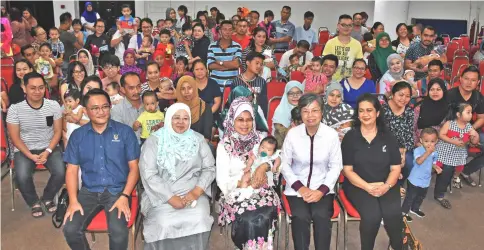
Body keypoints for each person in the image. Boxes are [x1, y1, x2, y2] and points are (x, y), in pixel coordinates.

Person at [63, 88, 140, 250]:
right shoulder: (78, 136)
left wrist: (125, 195)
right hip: (88, 191)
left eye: (105, 107)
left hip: (117, 191)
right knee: (70, 229)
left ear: (110, 107)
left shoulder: (125, 132)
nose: (101, 112)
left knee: (118, 231)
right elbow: (71, 170)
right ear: (85, 110)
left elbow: (135, 168)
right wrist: (73, 200)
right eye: (95, 108)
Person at [139, 102, 214, 249]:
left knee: (199, 217)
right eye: (176, 118)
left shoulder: (198, 140)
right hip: (161, 195)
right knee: (164, 221)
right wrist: (170, 198)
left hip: (193, 193)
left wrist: (196, 191)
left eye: (185, 118)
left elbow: (209, 168)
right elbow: (149, 173)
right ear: (168, 119)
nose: (181, 122)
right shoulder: (154, 141)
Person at [341, 93, 403, 250]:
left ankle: (399, 247)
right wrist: (368, 187)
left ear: (377, 113)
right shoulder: (350, 137)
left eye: (369, 110)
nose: (365, 114)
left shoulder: (388, 137)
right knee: (372, 216)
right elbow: (347, 170)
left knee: (393, 215)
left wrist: (386, 186)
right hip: (357, 185)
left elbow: (396, 168)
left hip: (386, 183)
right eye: (361, 111)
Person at [281, 93, 342, 250]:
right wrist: (300, 188)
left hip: (322, 188)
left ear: (322, 112)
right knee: (300, 217)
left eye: (314, 110)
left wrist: (321, 191)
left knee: (321, 217)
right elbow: (285, 164)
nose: (310, 115)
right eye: (305, 111)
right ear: (300, 113)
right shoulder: (293, 135)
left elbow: (336, 166)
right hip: (296, 189)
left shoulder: (331, 135)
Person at [217, 97, 280, 249]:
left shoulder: (261, 139)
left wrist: (263, 166)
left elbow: (278, 161)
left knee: (263, 216)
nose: (245, 124)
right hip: (236, 191)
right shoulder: (224, 145)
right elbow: (222, 180)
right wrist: (243, 182)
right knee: (249, 219)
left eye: (249, 119)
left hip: (263, 191)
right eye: (240, 119)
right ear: (232, 119)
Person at [6, 72, 64, 218]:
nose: (37, 92)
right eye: (32, 88)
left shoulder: (53, 106)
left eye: (40, 88)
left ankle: (47, 197)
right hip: (24, 149)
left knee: (61, 171)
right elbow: (15, 138)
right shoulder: (15, 109)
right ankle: (33, 202)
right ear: (24, 88)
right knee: (22, 175)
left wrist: (48, 151)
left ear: (45, 88)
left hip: (49, 146)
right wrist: (30, 155)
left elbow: (57, 132)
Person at [435, 103, 479, 209]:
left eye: (471, 112)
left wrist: (475, 137)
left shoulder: (468, 126)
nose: (471, 115)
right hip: (446, 152)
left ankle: (455, 178)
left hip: (458, 153)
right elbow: (441, 135)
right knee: (445, 174)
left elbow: (474, 140)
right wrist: (452, 141)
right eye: (468, 112)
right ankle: (439, 195)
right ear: (459, 115)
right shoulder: (450, 123)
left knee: (456, 169)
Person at [446, 67, 484, 187]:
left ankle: (466, 171)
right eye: (466, 79)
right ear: (460, 79)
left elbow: (481, 117)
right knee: (462, 150)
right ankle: (451, 175)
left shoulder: (478, 97)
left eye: (473, 80)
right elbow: (443, 121)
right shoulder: (450, 95)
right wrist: (465, 133)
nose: (469, 82)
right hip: (451, 132)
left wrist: (471, 130)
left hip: (471, 130)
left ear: (478, 82)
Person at [402, 128, 440, 222]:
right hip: (414, 180)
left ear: (436, 141)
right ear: (421, 140)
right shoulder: (418, 150)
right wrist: (427, 152)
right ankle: (403, 213)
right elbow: (419, 161)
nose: (429, 144)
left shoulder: (434, 152)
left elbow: (433, 161)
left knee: (421, 196)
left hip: (426, 180)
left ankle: (414, 209)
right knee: (410, 197)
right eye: (426, 141)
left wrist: (436, 167)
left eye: (432, 141)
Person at [323, 14, 363, 81]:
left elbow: (359, 65)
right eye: (343, 25)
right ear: (338, 26)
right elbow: (324, 65)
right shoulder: (330, 43)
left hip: (350, 82)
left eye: (349, 25)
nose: (346, 28)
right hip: (331, 82)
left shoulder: (357, 44)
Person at [176, 76, 213, 141]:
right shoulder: (175, 109)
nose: (186, 92)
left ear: (195, 88)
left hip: (200, 146)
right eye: (183, 89)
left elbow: (207, 137)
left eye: (189, 88)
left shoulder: (205, 107)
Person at [230, 52, 268, 116]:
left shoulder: (262, 82)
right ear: (247, 63)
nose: (259, 66)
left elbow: (264, 105)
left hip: (257, 117)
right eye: (257, 63)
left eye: (261, 64)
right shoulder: (236, 81)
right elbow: (233, 104)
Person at [207, 20, 242, 90]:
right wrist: (229, 65)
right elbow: (210, 66)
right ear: (220, 31)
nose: (227, 32)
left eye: (230, 30)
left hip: (232, 86)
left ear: (233, 31)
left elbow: (236, 64)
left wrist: (220, 62)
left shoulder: (237, 46)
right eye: (225, 29)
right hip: (215, 85)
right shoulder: (212, 46)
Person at [413, 78, 448, 145]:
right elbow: (412, 128)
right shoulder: (420, 107)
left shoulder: (449, 108)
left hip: (441, 145)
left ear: (443, 90)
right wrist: (417, 143)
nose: (435, 92)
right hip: (420, 144)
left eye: (438, 89)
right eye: (432, 89)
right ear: (428, 91)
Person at [111, 72, 143, 142]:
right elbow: (118, 137)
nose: (136, 91)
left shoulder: (150, 104)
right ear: (122, 89)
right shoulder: (117, 110)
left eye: (138, 86)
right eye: (131, 88)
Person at [272, 81, 304, 148]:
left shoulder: (307, 110)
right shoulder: (280, 111)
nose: (295, 96)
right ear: (286, 95)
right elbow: (282, 137)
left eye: (298, 93)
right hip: (284, 146)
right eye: (291, 93)